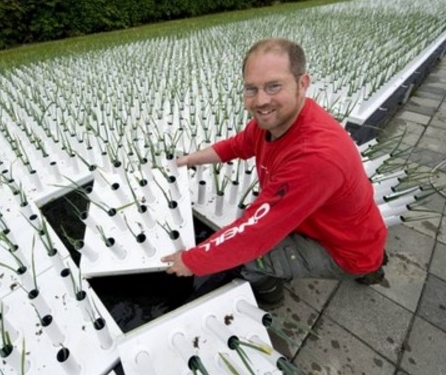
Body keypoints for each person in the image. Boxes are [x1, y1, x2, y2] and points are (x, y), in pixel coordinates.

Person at [161, 38, 388, 309]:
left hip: (342, 249)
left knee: (244, 256)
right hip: (347, 228)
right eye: (251, 89)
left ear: (302, 84)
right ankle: (372, 263)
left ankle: (270, 298)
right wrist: (188, 160)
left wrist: (191, 261)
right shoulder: (275, 121)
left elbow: (253, 235)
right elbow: (237, 145)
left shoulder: (316, 156)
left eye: (273, 86)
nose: (260, 100)